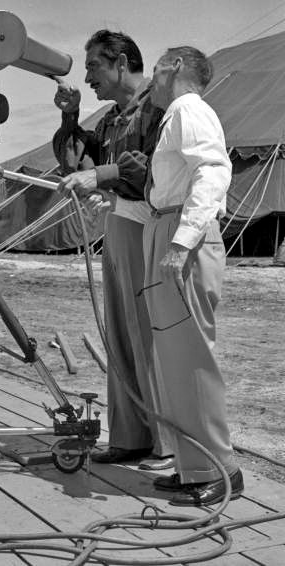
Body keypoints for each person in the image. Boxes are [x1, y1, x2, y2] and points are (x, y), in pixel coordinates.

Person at [54, 30, 173, 470]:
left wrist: (100, 175)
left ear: (121, 63)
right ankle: (130, 436)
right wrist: (71, 118)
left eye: (93, 67)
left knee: (151, 336)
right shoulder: (111, 118)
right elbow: (76, 162)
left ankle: (169, 443)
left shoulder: (158, 109)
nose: (87, 78)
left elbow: (151, 171)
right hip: (120, 229)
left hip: (151, 230)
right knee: (121, 334)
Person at [143, 46, 243, 505]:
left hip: (184, 231)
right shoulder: (175, 115)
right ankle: (193, 465)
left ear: (177, 66)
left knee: (192, 358)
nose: (152, 77)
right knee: (174, 359)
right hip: (165, 222)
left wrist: (181, 242)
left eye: (159, 65)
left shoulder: (190, 110)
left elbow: (213, 171)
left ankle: (221, 469)